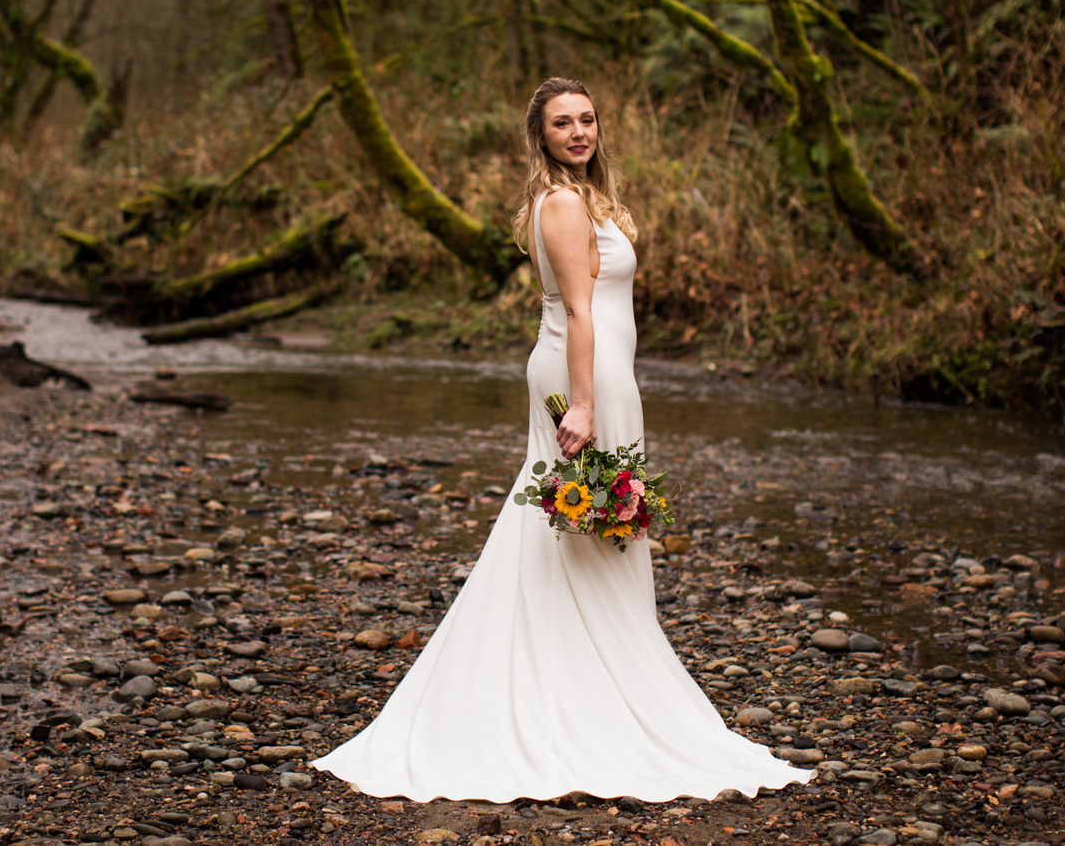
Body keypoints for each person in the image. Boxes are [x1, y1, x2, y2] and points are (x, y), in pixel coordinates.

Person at [311, 77, 813, 802]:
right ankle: (575, 693)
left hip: (605, 374)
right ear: (539, 136)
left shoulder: (588, 198)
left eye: (587, 119)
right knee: (575, 524)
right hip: (584, 376)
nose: (579, 132)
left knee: (583, 527)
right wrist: (580, 405)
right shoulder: (563, 202)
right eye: (561, 123)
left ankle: (590, 677)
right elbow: (580, 311)